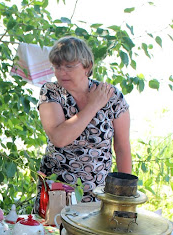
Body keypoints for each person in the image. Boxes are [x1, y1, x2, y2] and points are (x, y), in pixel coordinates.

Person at [36, 35, 132, 207]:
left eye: (69, 66)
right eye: (57, 66)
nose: (61, 72)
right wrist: (93, 106)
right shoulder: (51, 92)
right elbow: (59, 138)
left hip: (98, 194)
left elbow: (122, 148)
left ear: (87, 67)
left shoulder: (111, 96)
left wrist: (125, 198)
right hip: (57, 193)